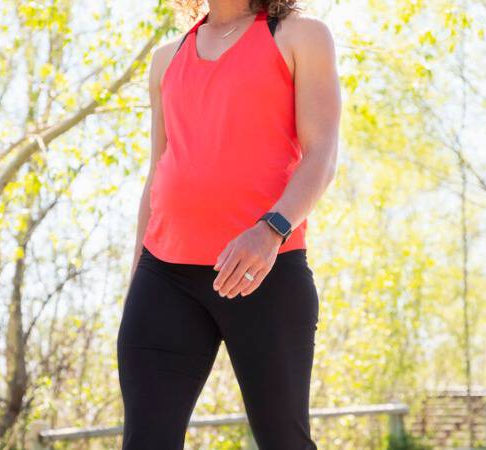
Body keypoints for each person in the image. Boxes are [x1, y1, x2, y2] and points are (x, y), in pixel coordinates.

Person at [115, 0, 340, 448]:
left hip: (264, 271)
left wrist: (271, 230)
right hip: (165, 277)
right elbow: (158, 174)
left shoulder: (300, 36)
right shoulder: (167, 58)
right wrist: (138, 273)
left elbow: (323, 155)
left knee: (284, 440)